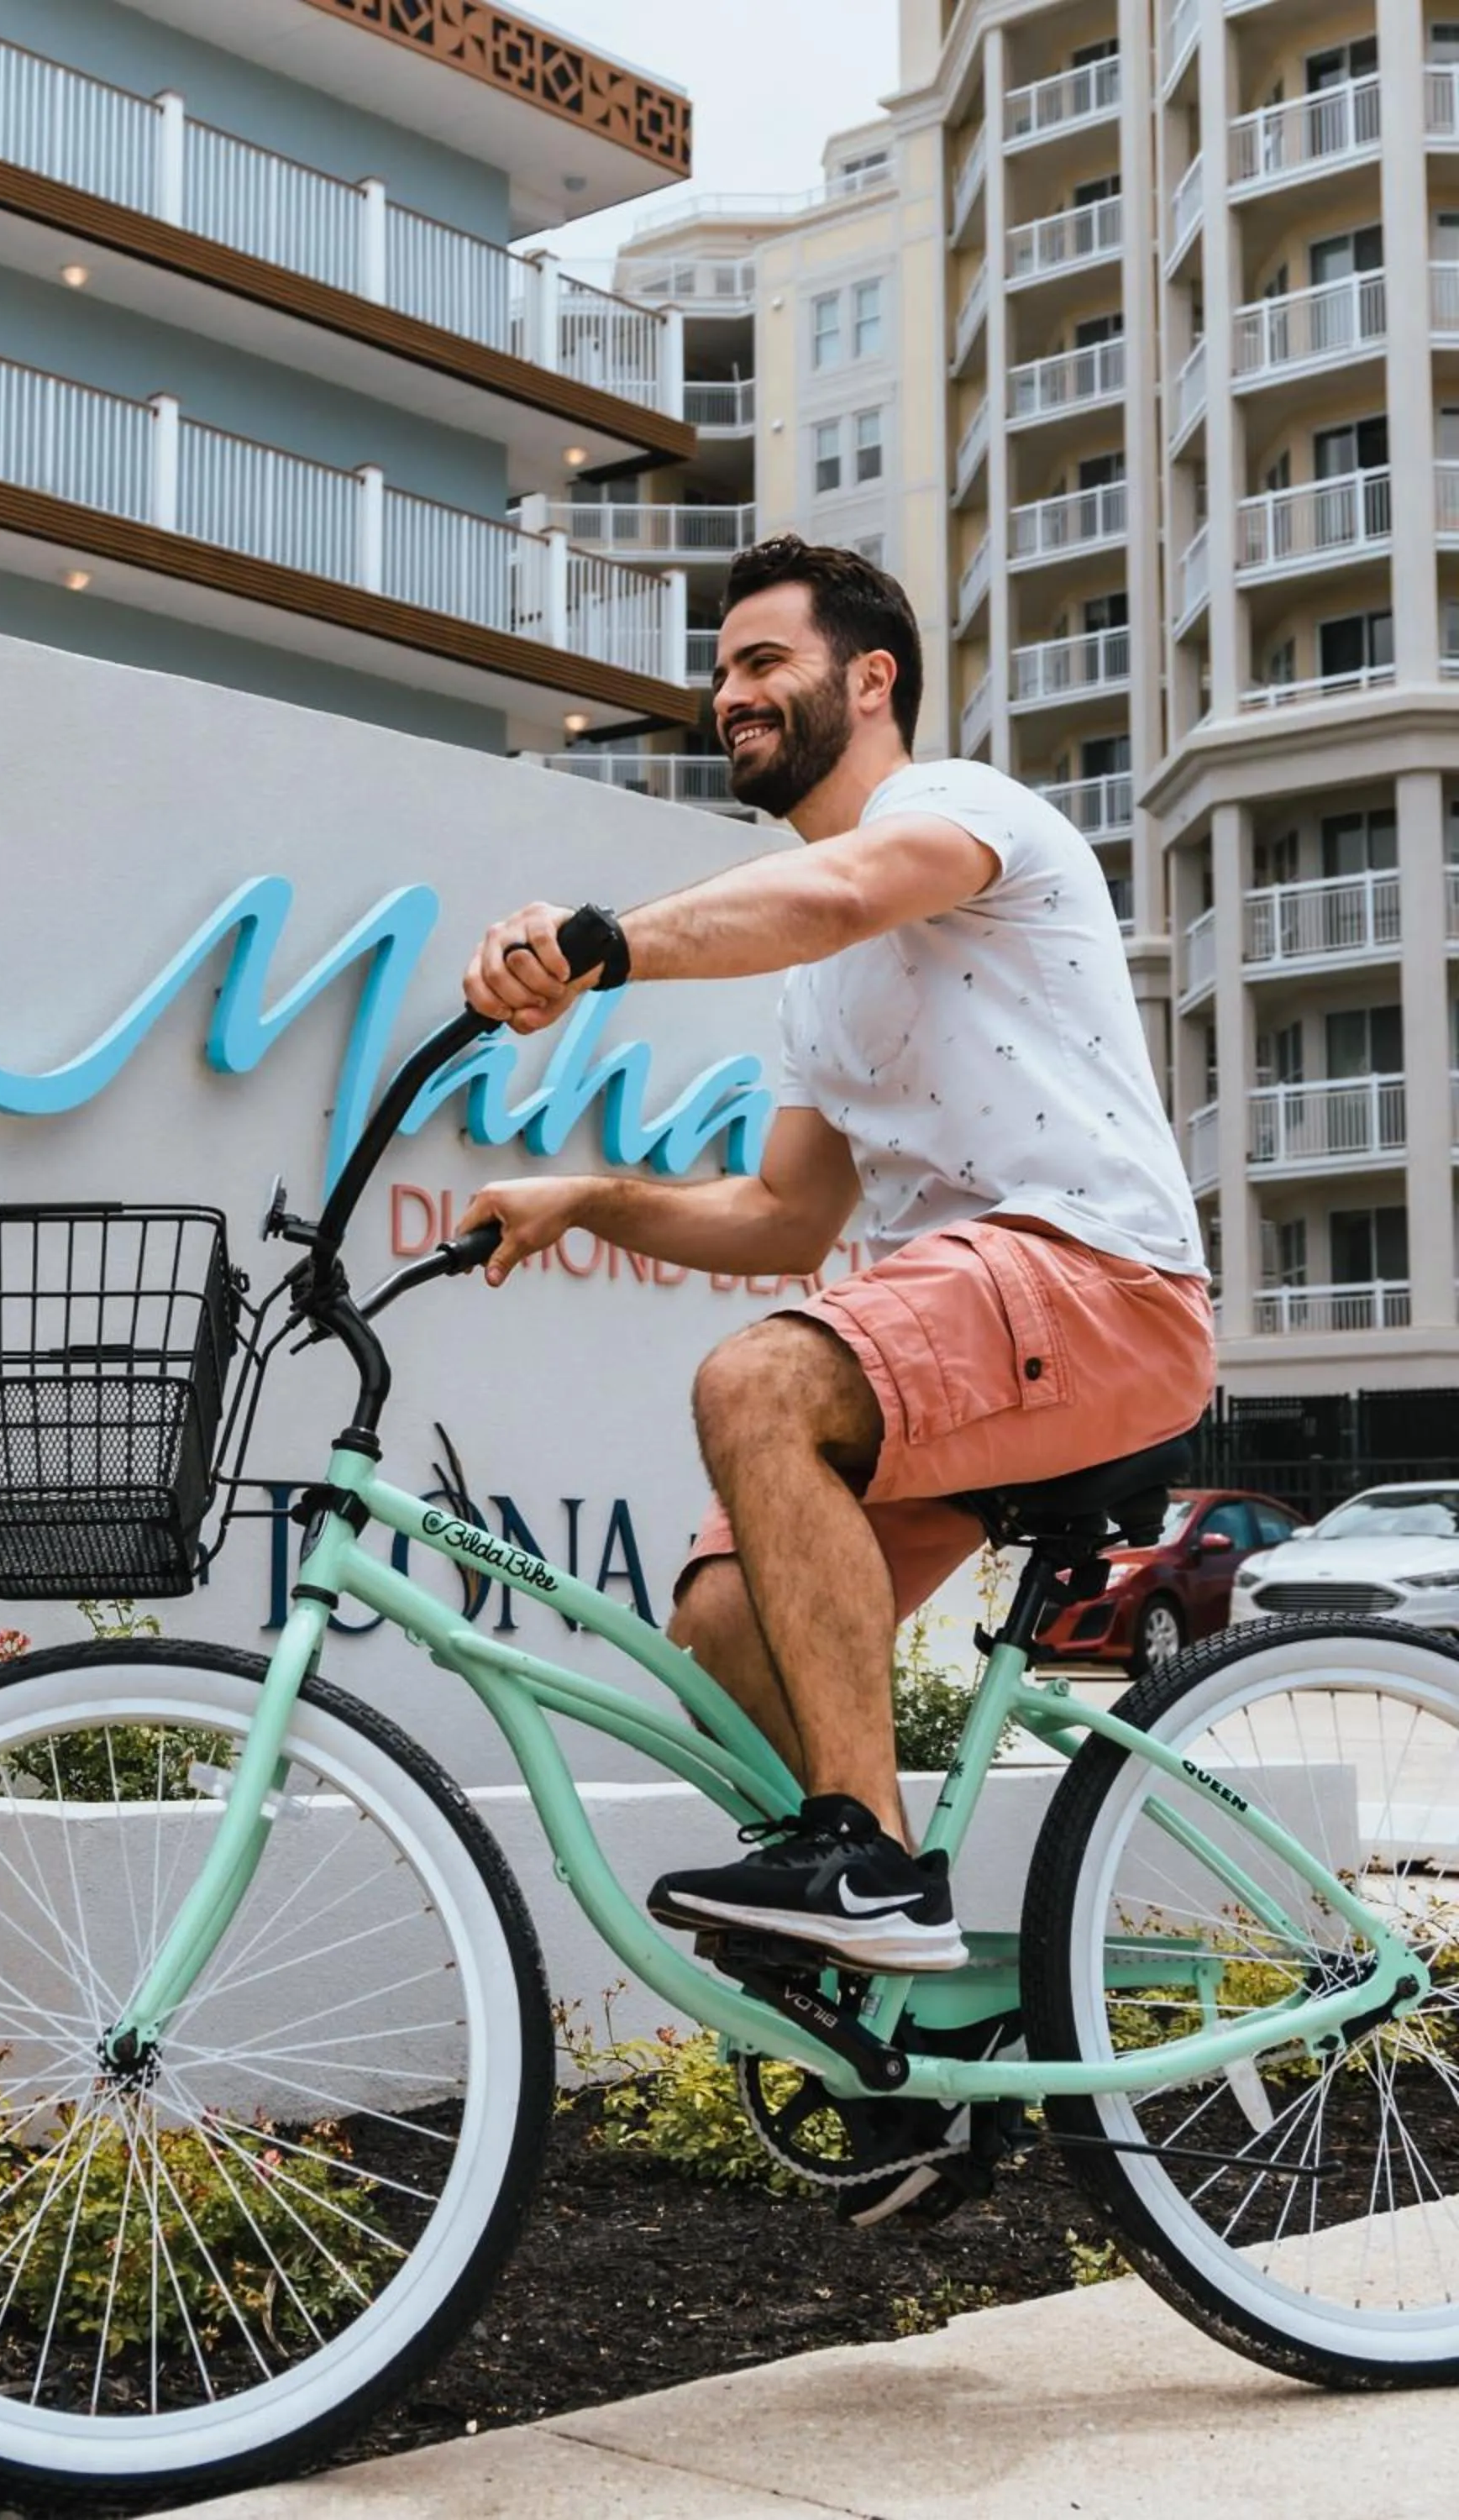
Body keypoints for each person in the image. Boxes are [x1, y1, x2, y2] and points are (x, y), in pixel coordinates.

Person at [459, 536, 1216, 2218]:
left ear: (866, 679)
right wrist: (586, 1194)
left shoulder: (958, 813)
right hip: (978, 1322)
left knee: (759, 1390)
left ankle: (867, 1869)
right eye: (719, 671)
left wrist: (599, 945)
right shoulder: (815, 992)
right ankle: (918, 2047)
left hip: (1100, 1281)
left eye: (761, 661)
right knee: (725, 1622)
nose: (729, 694)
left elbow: (838, 891)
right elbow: (789, 1212)